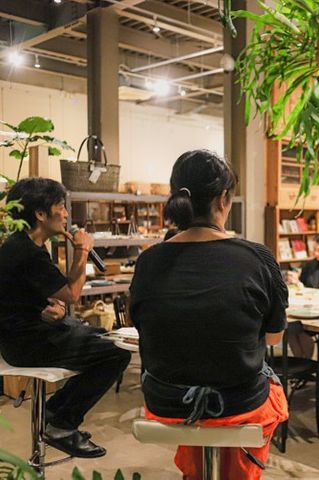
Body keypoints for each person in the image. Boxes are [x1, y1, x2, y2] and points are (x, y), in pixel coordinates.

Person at [130, 150, 288, 480]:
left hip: (166, 401)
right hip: (238, 403)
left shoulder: (148, 261)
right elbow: (274, 337)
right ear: (224, 198)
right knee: (266, 377)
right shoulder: (258, 258)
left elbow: (145, 328)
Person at [0, 178, 131, 458]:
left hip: (35, 331)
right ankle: (61, 425)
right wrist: (82, 251)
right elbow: (72, 293)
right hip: (27, 344)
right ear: (40, 213)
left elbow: (46, 297)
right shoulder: (25, 252)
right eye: (61, 206)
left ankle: (55, 413)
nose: (66, 214)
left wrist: (54, 308)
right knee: (117, 352)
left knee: (104, 336)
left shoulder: (29, 245)